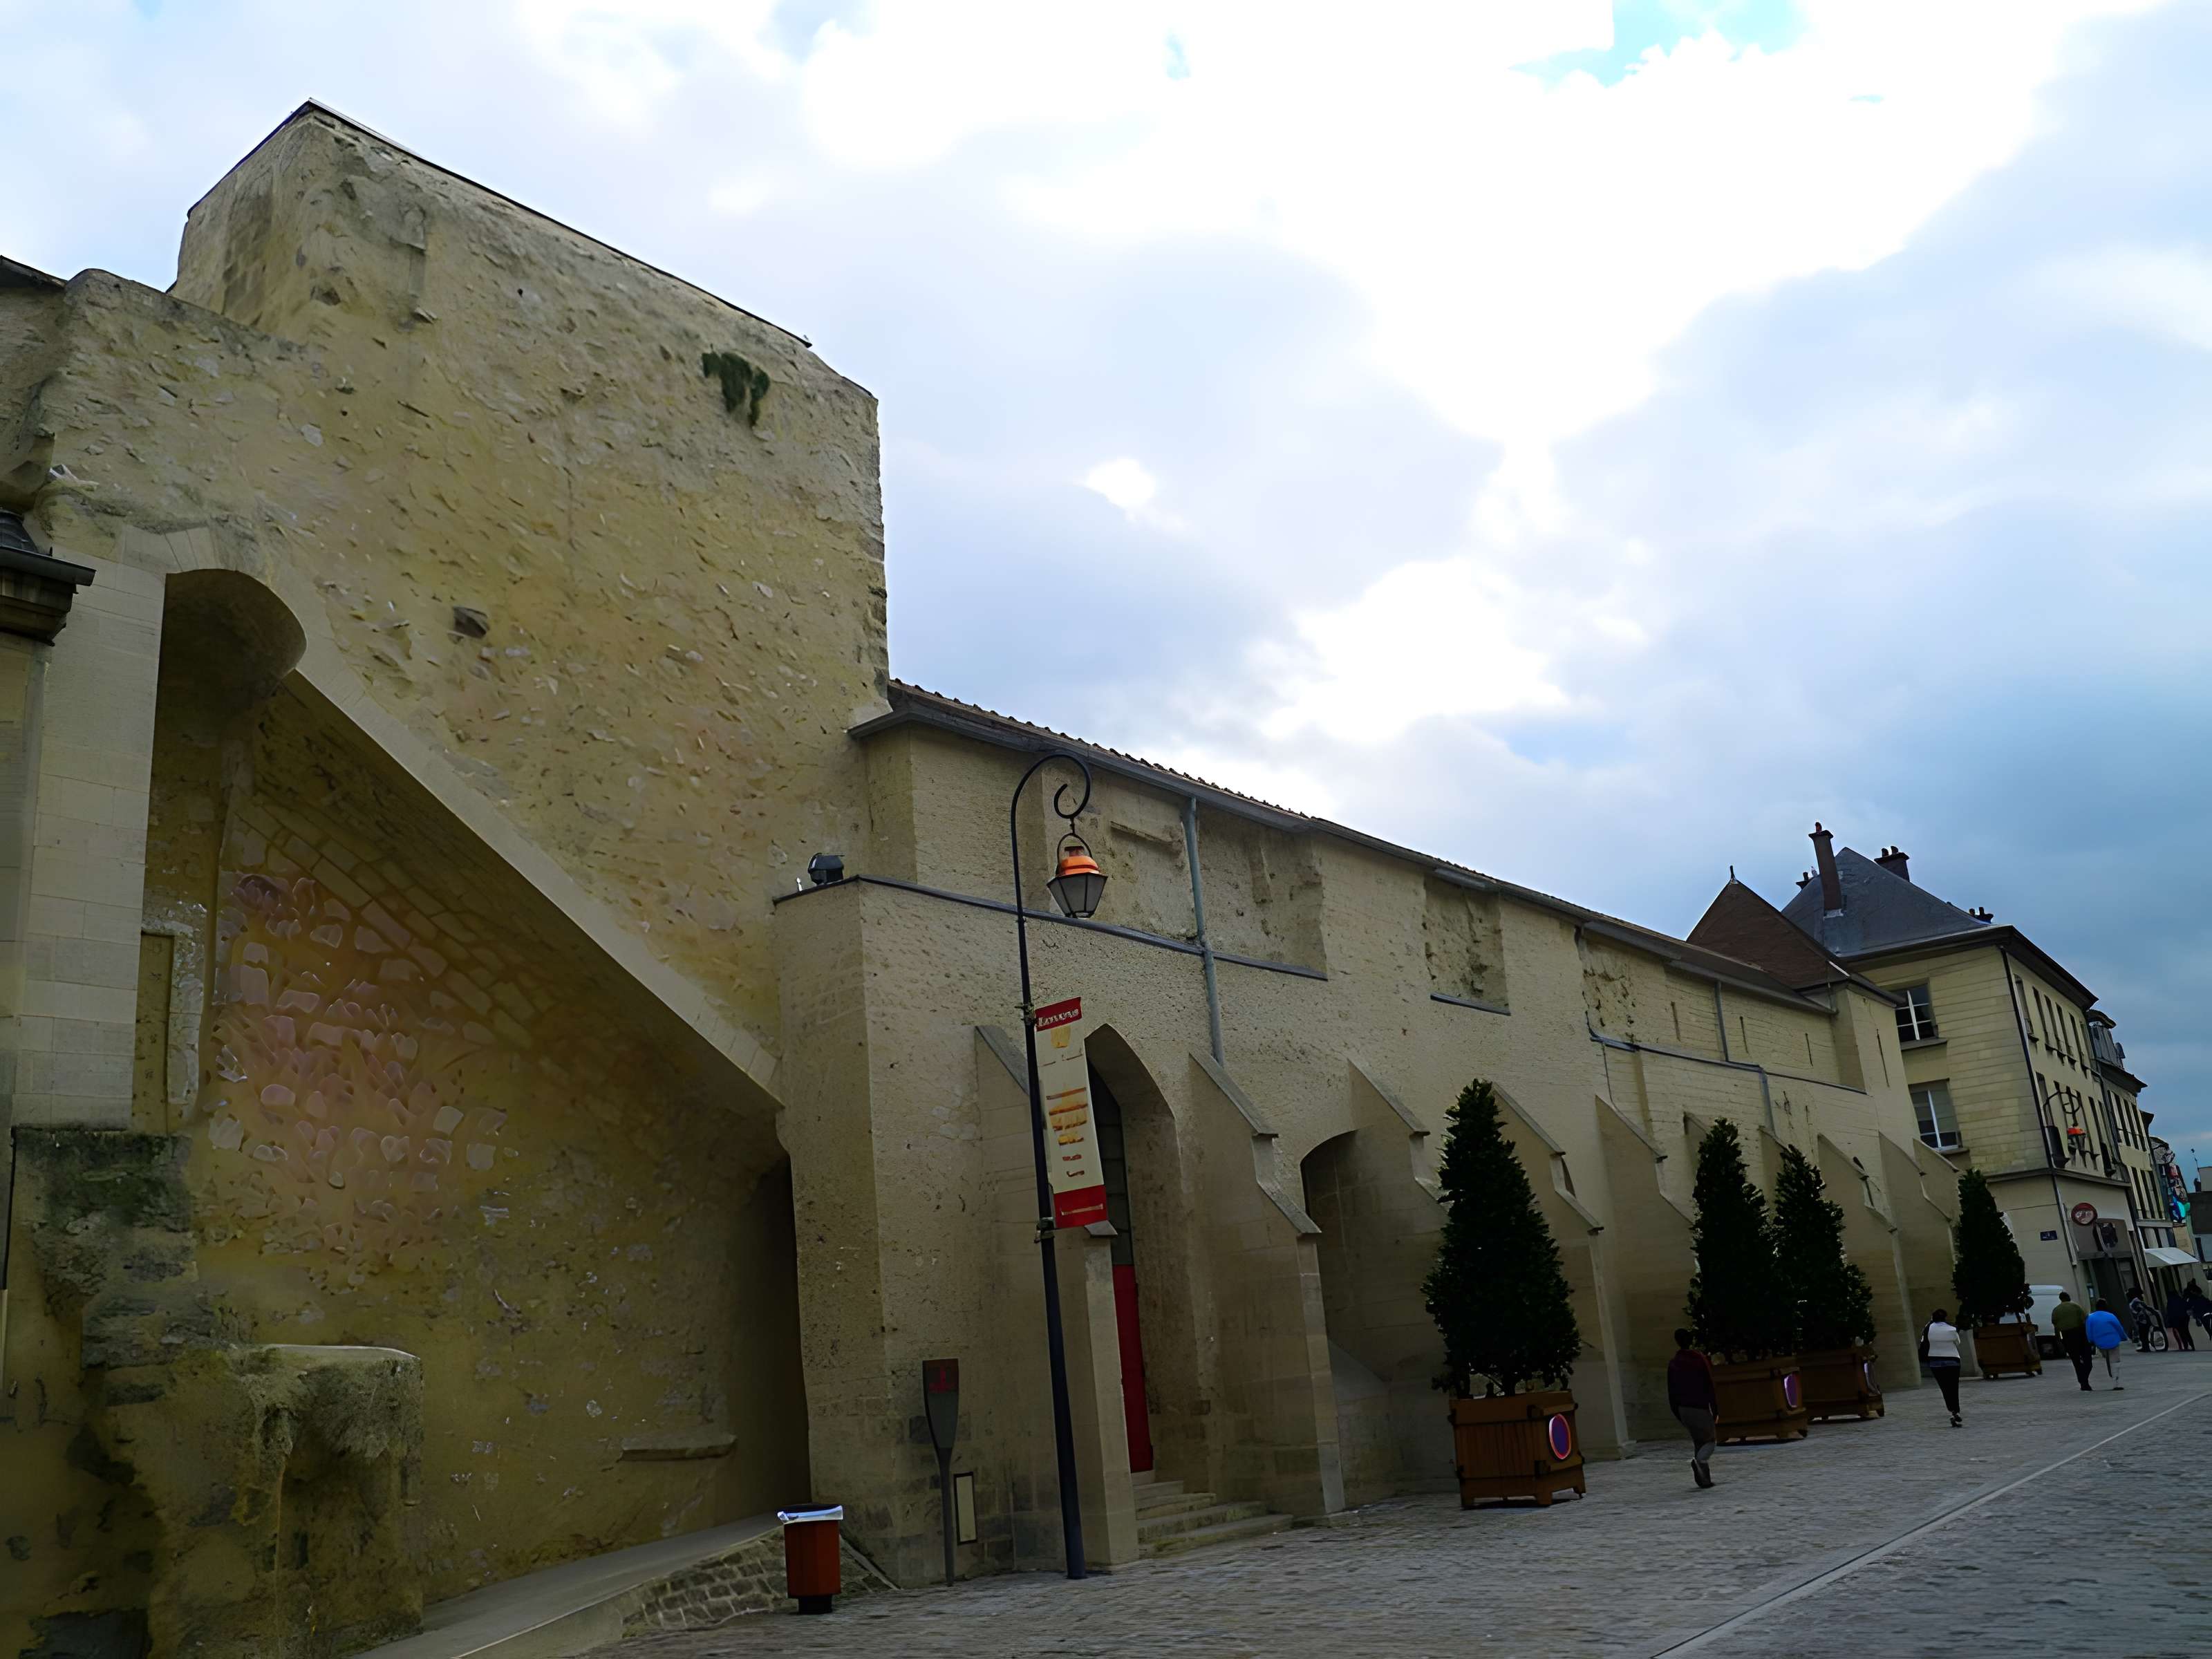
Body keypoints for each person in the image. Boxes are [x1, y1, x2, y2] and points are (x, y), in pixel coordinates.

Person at [1668, 1328, 1719, 1488]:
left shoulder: (1674, 1363)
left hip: (1683, 1408)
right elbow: (1709, 1384)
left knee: (1699, 1442)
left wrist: (1677, 1412)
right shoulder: (1699, 1359)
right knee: (1710, 1440)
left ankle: (1704, 1480)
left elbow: (1671, 1391)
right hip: (1699, 1405)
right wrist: (1715, 1409)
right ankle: (1700, 1462)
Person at [1921, 1308, 1965, 1427]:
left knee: (1945, 1388)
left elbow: (1923, 1342)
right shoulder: (1951, 1329)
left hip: (1935, 1361)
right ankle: (1956, 1411)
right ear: (1945, 1317)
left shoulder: (1928, 1328)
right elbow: (1957, 1342)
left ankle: (1952, 1411)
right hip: (1953, 1360)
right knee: (1953, 1387)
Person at [2049, 1290, 2092, 1391]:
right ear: (2068, 1298)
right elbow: (2085, 1320)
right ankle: (2084, 1379)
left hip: (2067, 1336)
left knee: (2076, 1361)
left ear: (2060, 1299)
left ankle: (2083, 1382)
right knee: (2088, 1361)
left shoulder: (2056, 1310)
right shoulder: (2076, 1306)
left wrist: (2058, 1340)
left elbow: (2056, 1326)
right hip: (2080, 1334)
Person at [2085, 1299, 2127, 1389]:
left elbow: (2089, 1331)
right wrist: (2123, 1337)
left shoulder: (2090, 1317)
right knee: (2115, 1360)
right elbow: (2119, 1327)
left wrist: (2091, 1341)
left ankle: (2111, 1372)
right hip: (2113, 1340)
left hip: (2100, 1342)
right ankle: (2116, 1382)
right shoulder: (2111, 1316)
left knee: (2107, 1356)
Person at [2163, 1286, 2196, 1352]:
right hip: (2184, 1318)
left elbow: (2169, 1312)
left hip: (2176, 1320)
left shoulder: (2170, 1302)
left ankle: (2185, 1346)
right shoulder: (2180, 1299)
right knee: (2187, 1332)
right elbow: (2188, 1306)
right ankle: (2192, 1346)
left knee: (2181, 1333)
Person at [2127, 1287, 2157, 1351]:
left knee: (2143, 1335)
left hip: (2142, 1321)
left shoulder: (2135, 1302)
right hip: (2144, 1321)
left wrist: (2138, 1319)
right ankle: (2145, 1347)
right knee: (2144, 1335)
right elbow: (2147, 1307)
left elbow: (2140, 1311)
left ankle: (2146, 1347)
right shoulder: (2138, 1301)